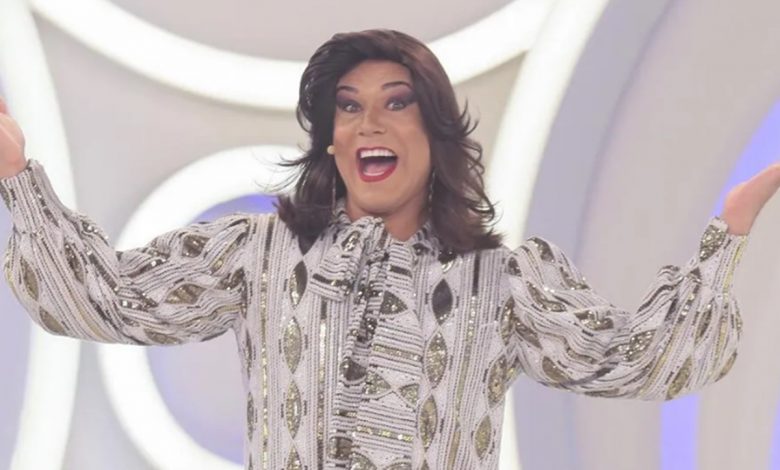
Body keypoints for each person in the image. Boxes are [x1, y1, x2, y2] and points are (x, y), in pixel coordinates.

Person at [0, 28, 777, 470]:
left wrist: (729, 233)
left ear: (434, 134)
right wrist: (16, 177)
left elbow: (640, 359)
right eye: (348, 108)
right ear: (331, 142)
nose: (369, 124)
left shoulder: (503, 284)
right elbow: (103, 297)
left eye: (395, 104)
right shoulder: (258, 257)